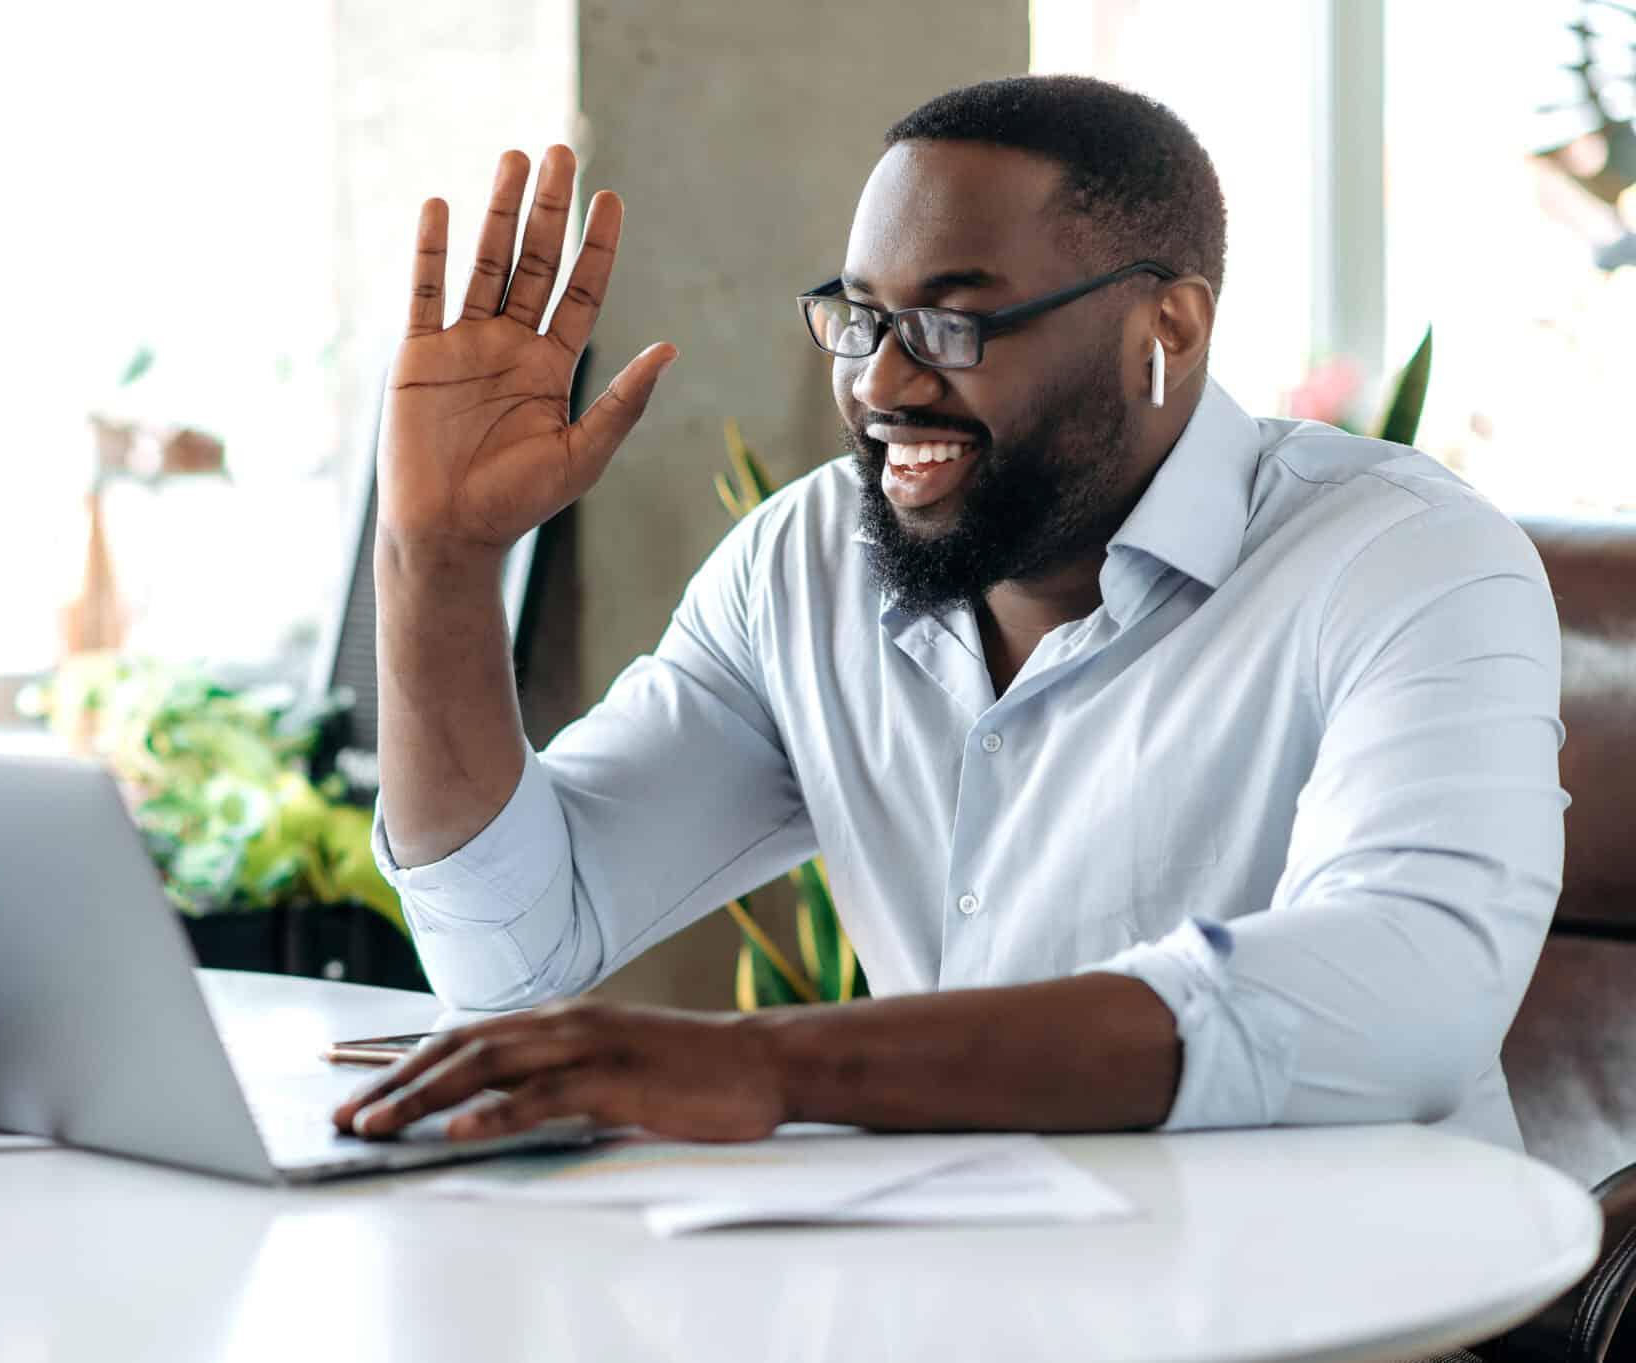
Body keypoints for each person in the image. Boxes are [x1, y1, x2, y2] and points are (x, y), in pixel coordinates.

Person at [332, 75, 1567, 1148]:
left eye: (953, 320)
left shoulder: (1405, 559)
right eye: (858, 315)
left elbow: (1406, 992)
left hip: (1349, 1316)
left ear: (1167, 327)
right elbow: (512, 950)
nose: (878, 380)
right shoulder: (801, 564)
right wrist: (435, 561)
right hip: (951, 1282)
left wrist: (770, 1065)